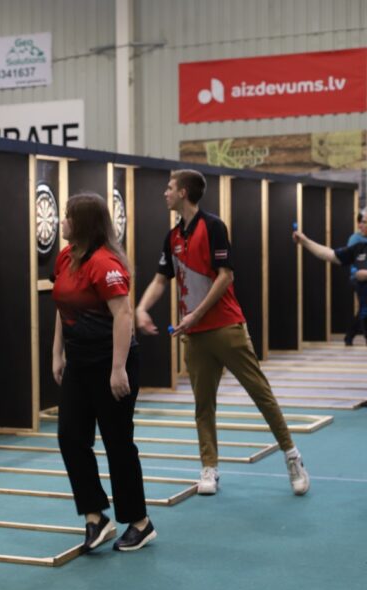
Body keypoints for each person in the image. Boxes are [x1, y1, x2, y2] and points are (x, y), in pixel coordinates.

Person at [134, 169, 309, 496]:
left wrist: (196, 315)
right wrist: (141, 308)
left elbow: (225, 276)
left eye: (169, 188)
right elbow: (161, 278)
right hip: (194, 335)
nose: (165, 193)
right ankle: (209, 468)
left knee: (261, 394)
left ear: (183, 192)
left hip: (227, 327)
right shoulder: (172, 237)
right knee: (203, 405)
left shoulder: (213, 227)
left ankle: (292, 456)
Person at [52, 193, 154, 552]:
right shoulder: (65, 258)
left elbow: (123, 315)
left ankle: (140, 522)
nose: (62, 222)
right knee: (70, 437)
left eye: (67, 216)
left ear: (83, 223)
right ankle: (95, 517)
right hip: (78, 362)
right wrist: (57, 353)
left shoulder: (104, 263)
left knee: (117, 442)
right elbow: (62, 308)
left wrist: (117, 369)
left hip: (110, 362)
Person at [293, 224, 367, 342]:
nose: (361, 225)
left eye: (365, 221)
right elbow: (330, 254)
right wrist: (305, 241)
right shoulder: (359, 248)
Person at [341, 208, 367, 345]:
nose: (362, 224)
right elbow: (351, 259)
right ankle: (350, 336)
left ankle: (349, 336)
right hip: (358, 278)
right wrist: (357, 273)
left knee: (364, 308)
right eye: (362, 222)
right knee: (364, 308)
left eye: (365, 222)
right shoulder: (355, 239)